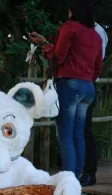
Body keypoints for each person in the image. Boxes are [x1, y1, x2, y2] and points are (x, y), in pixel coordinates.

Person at [29, 0, 103, 180]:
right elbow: (98, 67)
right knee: (79, 133)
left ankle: (68, 179)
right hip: (88, 86)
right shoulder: (96, 36)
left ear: (72, 11)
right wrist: (87, 80)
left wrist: (44, 45)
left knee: (65, 135)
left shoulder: (70, 28)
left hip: (70, 84)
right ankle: (75, 176)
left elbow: (57, 57)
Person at [80, 23, 108, 186]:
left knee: (84, 129)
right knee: (79, 129)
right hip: (83, 82)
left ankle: (89, 171)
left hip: (86, 82)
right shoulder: (87, 29)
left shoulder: (96, 32)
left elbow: (97, 61)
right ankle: (82, 170)